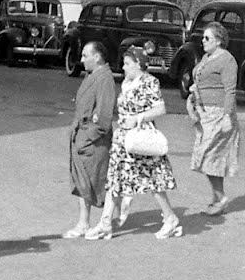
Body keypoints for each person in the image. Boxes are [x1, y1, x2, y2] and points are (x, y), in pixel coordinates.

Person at [86, 45, 182, 240]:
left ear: (139, 64)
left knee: (152, 180)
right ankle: (105, 223)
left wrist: (137, 119)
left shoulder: (149, 82)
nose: (123, 67)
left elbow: (161, 108)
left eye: (128, 64)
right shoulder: (127, 83)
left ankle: (170, 218)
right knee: (114, 180)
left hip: (140, 137)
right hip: (123, 139)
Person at [64, 41, 117, 239]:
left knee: (91, 180)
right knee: (81, 180)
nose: (82, 59)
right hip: (82, 135)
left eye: (86, 55)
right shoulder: (93, 76)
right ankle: (84, 222)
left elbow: (104, 115)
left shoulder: (104, 79)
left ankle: (96, 222)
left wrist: (89, 136)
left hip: (92, 140)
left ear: (97, 57)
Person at [186, 21, 239, 215]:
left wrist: (227, 116)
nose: (203, 41)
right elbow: (201, 78)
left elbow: (230, 91)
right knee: (207, 157)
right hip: (203, 113)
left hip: (218, 114)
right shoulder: (207, 57)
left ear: (218, 40)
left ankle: (221, 197)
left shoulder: (227, 60)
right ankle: (218, 197)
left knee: (208, 155)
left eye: (207, 38)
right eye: (203, 38)